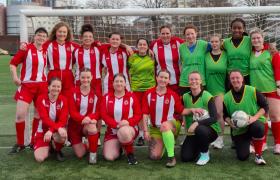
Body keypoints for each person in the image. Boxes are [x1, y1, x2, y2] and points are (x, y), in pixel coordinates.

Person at [142, 69, 204, 168]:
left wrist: (193, 109)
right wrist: (145, 131)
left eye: (166, 78)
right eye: (161, 77)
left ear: (169, 81)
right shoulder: (148, 94)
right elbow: (145, 114)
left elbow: (182, 111)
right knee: (155, 156)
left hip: (172, 124)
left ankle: (171, 157)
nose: (163, 79)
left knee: (165, 126)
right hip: (155, 129)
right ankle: (166, 141)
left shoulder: (173, 95)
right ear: (156, 78)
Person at [9, 27, 48, 153]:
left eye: (43, 36)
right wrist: (15, 77)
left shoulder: (46, 49)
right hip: (27, 86)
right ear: (34, 36)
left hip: (42, 86)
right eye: (39, 35)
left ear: (46, 38)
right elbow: (13, 63)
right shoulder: (27, 49)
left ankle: (33, 141)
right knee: (20, 115)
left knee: (38, 114)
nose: (41, 38)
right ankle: (20, 144)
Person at [223, 70, 268, 165]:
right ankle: (247, 143)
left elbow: (265, 107)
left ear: (242, 78)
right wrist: (230, 123)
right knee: (242, 157)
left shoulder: (252, 90)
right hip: (239, 130)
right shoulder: (226, 97)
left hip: (253, 123)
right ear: (230, 80)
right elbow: (225, 115)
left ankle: (258, 155)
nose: (235, 80)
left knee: (258, 128)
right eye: (232, 78)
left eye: (237, 77)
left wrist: (254, 118)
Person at [249, 28, 280, 154]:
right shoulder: (249, 53)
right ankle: (263, 143)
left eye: (258, 37)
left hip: (271, 89)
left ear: (263, 38)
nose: (256, 40)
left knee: (275, 116)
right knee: (263, 118)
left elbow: (278, 69)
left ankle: (278, 143)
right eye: (253, 38)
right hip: (257, 91)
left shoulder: (271, 52)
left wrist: (278, 86)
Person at [181, 71, 221, 166]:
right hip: (192, 133)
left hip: (210, 131)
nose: (194, 81)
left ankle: (205, 155)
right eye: (191, 79)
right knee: (186, 157)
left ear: (201, 81)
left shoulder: (207, 96)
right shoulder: (185, 97)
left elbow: (214, 118)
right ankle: (200, 147)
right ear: (188, 82)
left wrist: (197, 123)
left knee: (200, 129)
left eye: (196, 79)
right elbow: (181, 111)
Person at [101, 73, 141, 165]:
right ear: (113, 83)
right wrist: (116, 125)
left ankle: (130, 154)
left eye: (121, 81)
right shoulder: (106, 97)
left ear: (125, 84)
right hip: (113, 132)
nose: (119, 84)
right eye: (116, 81)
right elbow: (104, 115)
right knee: (109, 157)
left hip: (129, 129)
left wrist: (128, 122)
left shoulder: (131, 96)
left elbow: (138, 114)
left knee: (123, 132)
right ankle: (121, 146)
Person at [68, 68, 101, 164]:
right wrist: (83, 118)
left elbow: (98, 112)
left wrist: (90, 118)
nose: (85, 80)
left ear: (92, 78)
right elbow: (72, 112)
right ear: (79, 78)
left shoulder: (97, 94)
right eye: (83, 77)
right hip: (75, 125)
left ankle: (93, 155)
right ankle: (87, 144)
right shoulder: (73, 92)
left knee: (92, 127)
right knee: (80, 154)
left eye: (88, 77)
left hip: (88, 124)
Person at [128, 38, 156, 146]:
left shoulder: (152, 57)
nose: (142, 46)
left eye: (144, 44)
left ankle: (152, 133)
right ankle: (141, 135)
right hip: (136, 89)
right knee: (139, 112)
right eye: (140, 44)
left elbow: (155, 72)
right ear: (136, 46)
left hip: (150, 88)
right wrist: (130, 87)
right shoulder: (132, 57)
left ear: (148, 46)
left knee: (150, 112)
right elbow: (129, 73)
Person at [34, 77, 68, 162]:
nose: (56, 89)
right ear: (48, 87)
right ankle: (49, 145)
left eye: (58, 87)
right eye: (53, 86)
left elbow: (63, 120)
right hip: (43, 130)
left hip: (56, 130)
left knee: (63, 134)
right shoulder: (41, 99)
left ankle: (57, 150)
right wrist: (50, 130)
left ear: (61, 88)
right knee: (40, 158)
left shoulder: (63, 100)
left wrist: (51, 130)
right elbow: (44, 118)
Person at [205, 34, 227, 149]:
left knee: (219, 114)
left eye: (216, 41)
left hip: (220, 90)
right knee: (207, 116)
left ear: (220, 42)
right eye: (212, 42)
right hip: (207, 90)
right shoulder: (206, 56)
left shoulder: (226, 55)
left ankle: (221, 138)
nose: (214, 44)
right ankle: (210, 137)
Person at [150, 25, 184, 94]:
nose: (165, 36)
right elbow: (143, 49)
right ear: (160, 34)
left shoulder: (178, 42)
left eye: (167, 33)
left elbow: (190, 44)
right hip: (161, 82)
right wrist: (125, 46)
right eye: (163, 33)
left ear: (171, 34)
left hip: (176, 82)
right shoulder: (154, 44)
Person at [179, 24, 211, 95]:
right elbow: (180, 63)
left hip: (199, 81)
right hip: (185, 82)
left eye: (192, 33)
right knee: (186, 104)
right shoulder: (181, 47)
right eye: (187, 34)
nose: (190, 36)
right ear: (184, 36)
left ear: (196, 34)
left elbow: (217, 44)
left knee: (201, 104)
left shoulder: (204, 44)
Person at [73, 24, 102, 96]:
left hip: (95, 80)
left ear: (93, 39)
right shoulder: (76, 50)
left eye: (90, 37)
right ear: (81, 38)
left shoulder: (98, 48)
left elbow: (114, 44)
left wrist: (125, 46)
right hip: (80, 81)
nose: (88, 38)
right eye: (85, 36)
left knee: (97, 103)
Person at [223, 18, 251, 86]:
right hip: (231, 77)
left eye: (239, 28)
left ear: (243, 29)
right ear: (231, 29)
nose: (236, 30)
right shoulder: (225, 42)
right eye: (234, 28)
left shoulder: (249, 40)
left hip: (246, 76)